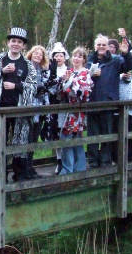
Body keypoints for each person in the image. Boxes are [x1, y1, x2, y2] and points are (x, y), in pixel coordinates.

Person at [0, 27, 38, 181]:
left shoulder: (27, 64)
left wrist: (17, 86)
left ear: (23, 45)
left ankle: (19, 174)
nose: (15, 44)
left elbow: (33, 86)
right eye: (13, 41)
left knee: (20, 139)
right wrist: (1, 72)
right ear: (8, 43)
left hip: (19, 109)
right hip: (0, 109)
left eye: (19, 42)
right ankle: (0, 175)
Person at [86, 30, 132, 168]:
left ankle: (105, 161)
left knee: (107, 134)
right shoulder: (89, 60)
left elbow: (128, 67)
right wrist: (91, 74)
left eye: (104, 44)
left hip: (108, 103)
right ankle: (93, 161)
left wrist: (126, 53)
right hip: (92, 104)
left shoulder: (115, 60)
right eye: (99, 44)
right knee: (92, 135)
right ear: (95, 46)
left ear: (108, 46)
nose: (101, 46)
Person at [58, 47, 93, 174]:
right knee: (72, 138)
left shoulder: (86, 73)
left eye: (80, 56)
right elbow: (61, 90)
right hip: (66, 110)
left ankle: (70, 169)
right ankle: (76, 168)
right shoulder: (69, 71)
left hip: (77, 112)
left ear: (84, 59)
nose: (76, 59)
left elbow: (83, 92)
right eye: (74, 56)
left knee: (70, 138)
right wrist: (65, 82)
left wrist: (69, 84)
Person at [25, 45, 51, 175]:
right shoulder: (26, 67)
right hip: (29, 108)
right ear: (31, 54)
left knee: (34, 138)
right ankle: (24, 168)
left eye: (40, 54)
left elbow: (47, 87)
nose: (37, 55)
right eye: (35, 53)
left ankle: (30, 166)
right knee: (27, 139)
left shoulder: (44, 70)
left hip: (40, 108)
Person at [47, 42, 69, 174]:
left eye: (61, 56)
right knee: (55, 133)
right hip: (53, 105)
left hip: (65, 105)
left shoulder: (69, 70)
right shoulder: (50, 70)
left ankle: (68, 160)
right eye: (56, 56)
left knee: (65, 132)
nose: (58, 58)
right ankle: (59, 160)